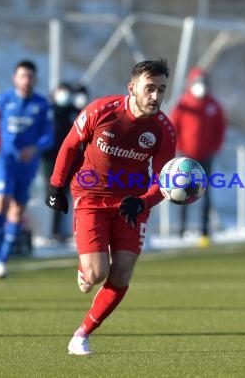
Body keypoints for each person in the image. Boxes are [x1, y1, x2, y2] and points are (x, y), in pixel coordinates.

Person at [45, 59, 176, 355]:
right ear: (132, 88)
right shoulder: (101, 110)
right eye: (150, 89)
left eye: (162, 90)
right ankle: (85, 267)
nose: (155, 97)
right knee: (95, 275)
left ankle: (82, 334)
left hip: (131, 203)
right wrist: (55, 186)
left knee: (123, 273)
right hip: (91, 196)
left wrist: (144, 201)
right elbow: (69, 146)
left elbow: (164, 180)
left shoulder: (163, 129)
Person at [0, 60, 54, 279]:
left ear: (35, 79)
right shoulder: (2, 101)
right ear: (14, 78)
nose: (26, 80)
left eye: (30, 76)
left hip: (27, 165)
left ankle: (2, 262)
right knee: (1, 204)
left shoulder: (42, 104)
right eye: (22, 75)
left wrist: (35, 147)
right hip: (5, 161)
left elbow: (49, 136)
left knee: (17, 210)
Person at [170, 67, 226, 247]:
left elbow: (220, 129)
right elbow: (173, 126)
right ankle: (181, 230)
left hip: (206, 157)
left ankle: (204, 232)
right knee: (181, 192)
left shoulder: (213, 105)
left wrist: (214, 148)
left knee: (205, 194)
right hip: (185, 156)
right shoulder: (183, 104)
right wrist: (178, 147)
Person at [42, 82, 88, 243]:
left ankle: (60, 231)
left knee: (66, 195)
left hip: (71, 160)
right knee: (53, 191)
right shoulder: (49, 111)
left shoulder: (72, 112)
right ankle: (50, 231)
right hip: (51, 159)